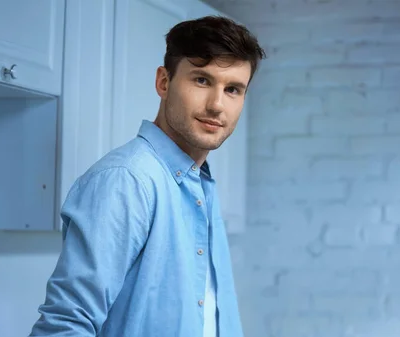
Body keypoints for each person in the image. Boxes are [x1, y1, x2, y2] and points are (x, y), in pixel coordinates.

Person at [29, 15, 265, 337]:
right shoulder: (127, 180)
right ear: (163, 83)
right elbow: (65, 326)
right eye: (201, 80)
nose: (216, 105)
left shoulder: (200, 182)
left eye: (233, 89)